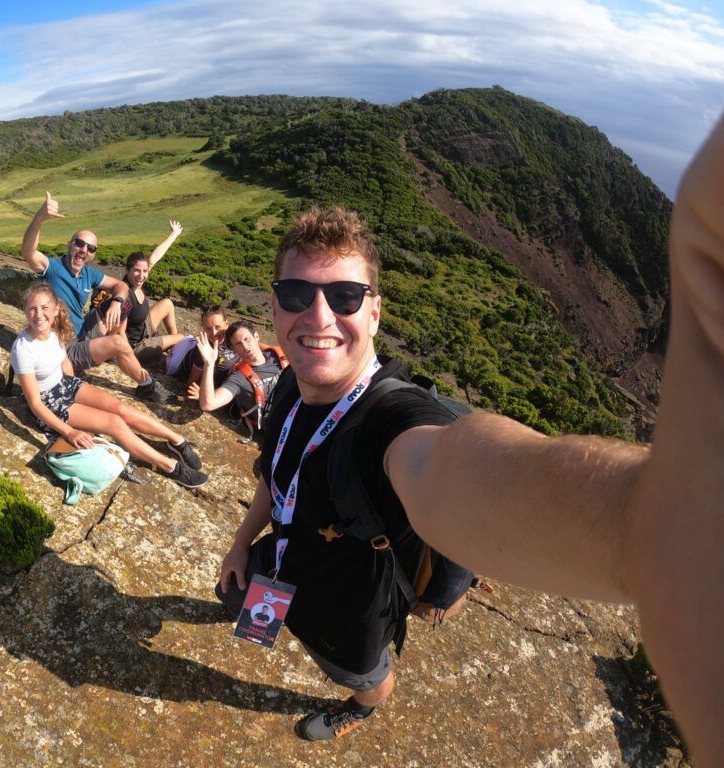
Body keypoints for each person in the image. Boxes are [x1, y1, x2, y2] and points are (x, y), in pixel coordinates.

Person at [219, 112, 724, 765]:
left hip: (352, 615)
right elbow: (275, 476)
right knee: (254, 610)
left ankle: (359, 711)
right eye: (298, 293)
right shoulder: (289, 387)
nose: (320, 315)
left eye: (345, 296)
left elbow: (460, 468)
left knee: (362, 676)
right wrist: (240, 543)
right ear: (276, 306)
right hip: (280, 564)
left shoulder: (389, 419)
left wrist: (655, 525)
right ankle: (265, 616)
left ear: (375, 309)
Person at [11, 282, 207, 489]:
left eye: (44, 308)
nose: (38, 314)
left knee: (122, 409)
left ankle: (176, 440)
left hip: (66, 384)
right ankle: (170, 467)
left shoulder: (51, 331)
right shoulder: (23, 349)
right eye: (32, 308)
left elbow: (64, 361)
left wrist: (78, 388)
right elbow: (35, 403)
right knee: (114, 423)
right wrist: (69, 432)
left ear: (55, 309)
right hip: (50, 402)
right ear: (25, 310)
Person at [21, 192, 172, 403]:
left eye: (90, 248)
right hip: (67, 346)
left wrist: (117, 303)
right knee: (119, 342)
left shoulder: (88, 273)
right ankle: (146, 385)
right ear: (70, 244)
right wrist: (39, 219)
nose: (84, 250)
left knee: (125, 297)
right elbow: (28, 252)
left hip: (84, 330)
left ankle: (111, 349)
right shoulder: (53, 268)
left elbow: (120, 285)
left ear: (93, 254)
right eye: (80, 244)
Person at [80, 220, 187, 358]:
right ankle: (173, 353)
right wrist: (130, 358)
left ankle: (172, 347)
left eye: (145, 271)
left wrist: (174, 234)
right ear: (128, 270)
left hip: (142, 327)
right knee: (181, 338)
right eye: (137, 271)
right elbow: (119, 333)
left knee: (167, 303)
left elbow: (155, 257)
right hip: (136, 345)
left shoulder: (137, 281)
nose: (141, 276)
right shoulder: (126, 296)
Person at [188, 320, 285, 438]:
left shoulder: (277, 355)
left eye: (247, 339)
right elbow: (208, 404)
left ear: (256, 337)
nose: (245, 346)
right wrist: (209, 363)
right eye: (238, 344)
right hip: (282, 429)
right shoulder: (238, 379)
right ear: (234, 350)